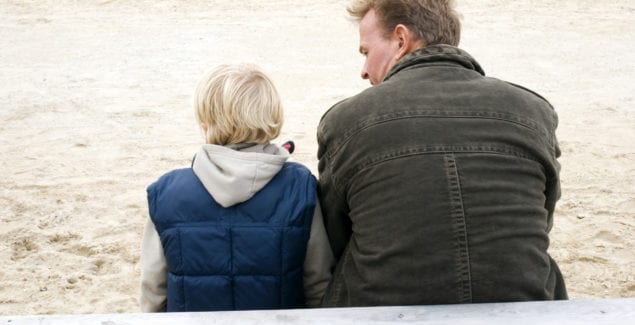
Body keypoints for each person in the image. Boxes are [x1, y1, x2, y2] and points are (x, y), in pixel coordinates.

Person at [317, 0, 567, 307]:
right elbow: (543, 217)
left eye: (366, 52)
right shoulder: (533, 111)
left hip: (386, 307)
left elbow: (336, 235)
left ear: (400, 40)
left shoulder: (346, 121)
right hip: (522, 302)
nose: (364, 71)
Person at [140, 63, 333, 312]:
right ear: (272, 116)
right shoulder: (300, 187)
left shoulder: (166, 192)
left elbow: (153, 290)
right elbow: (318, 281)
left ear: (205, 122)